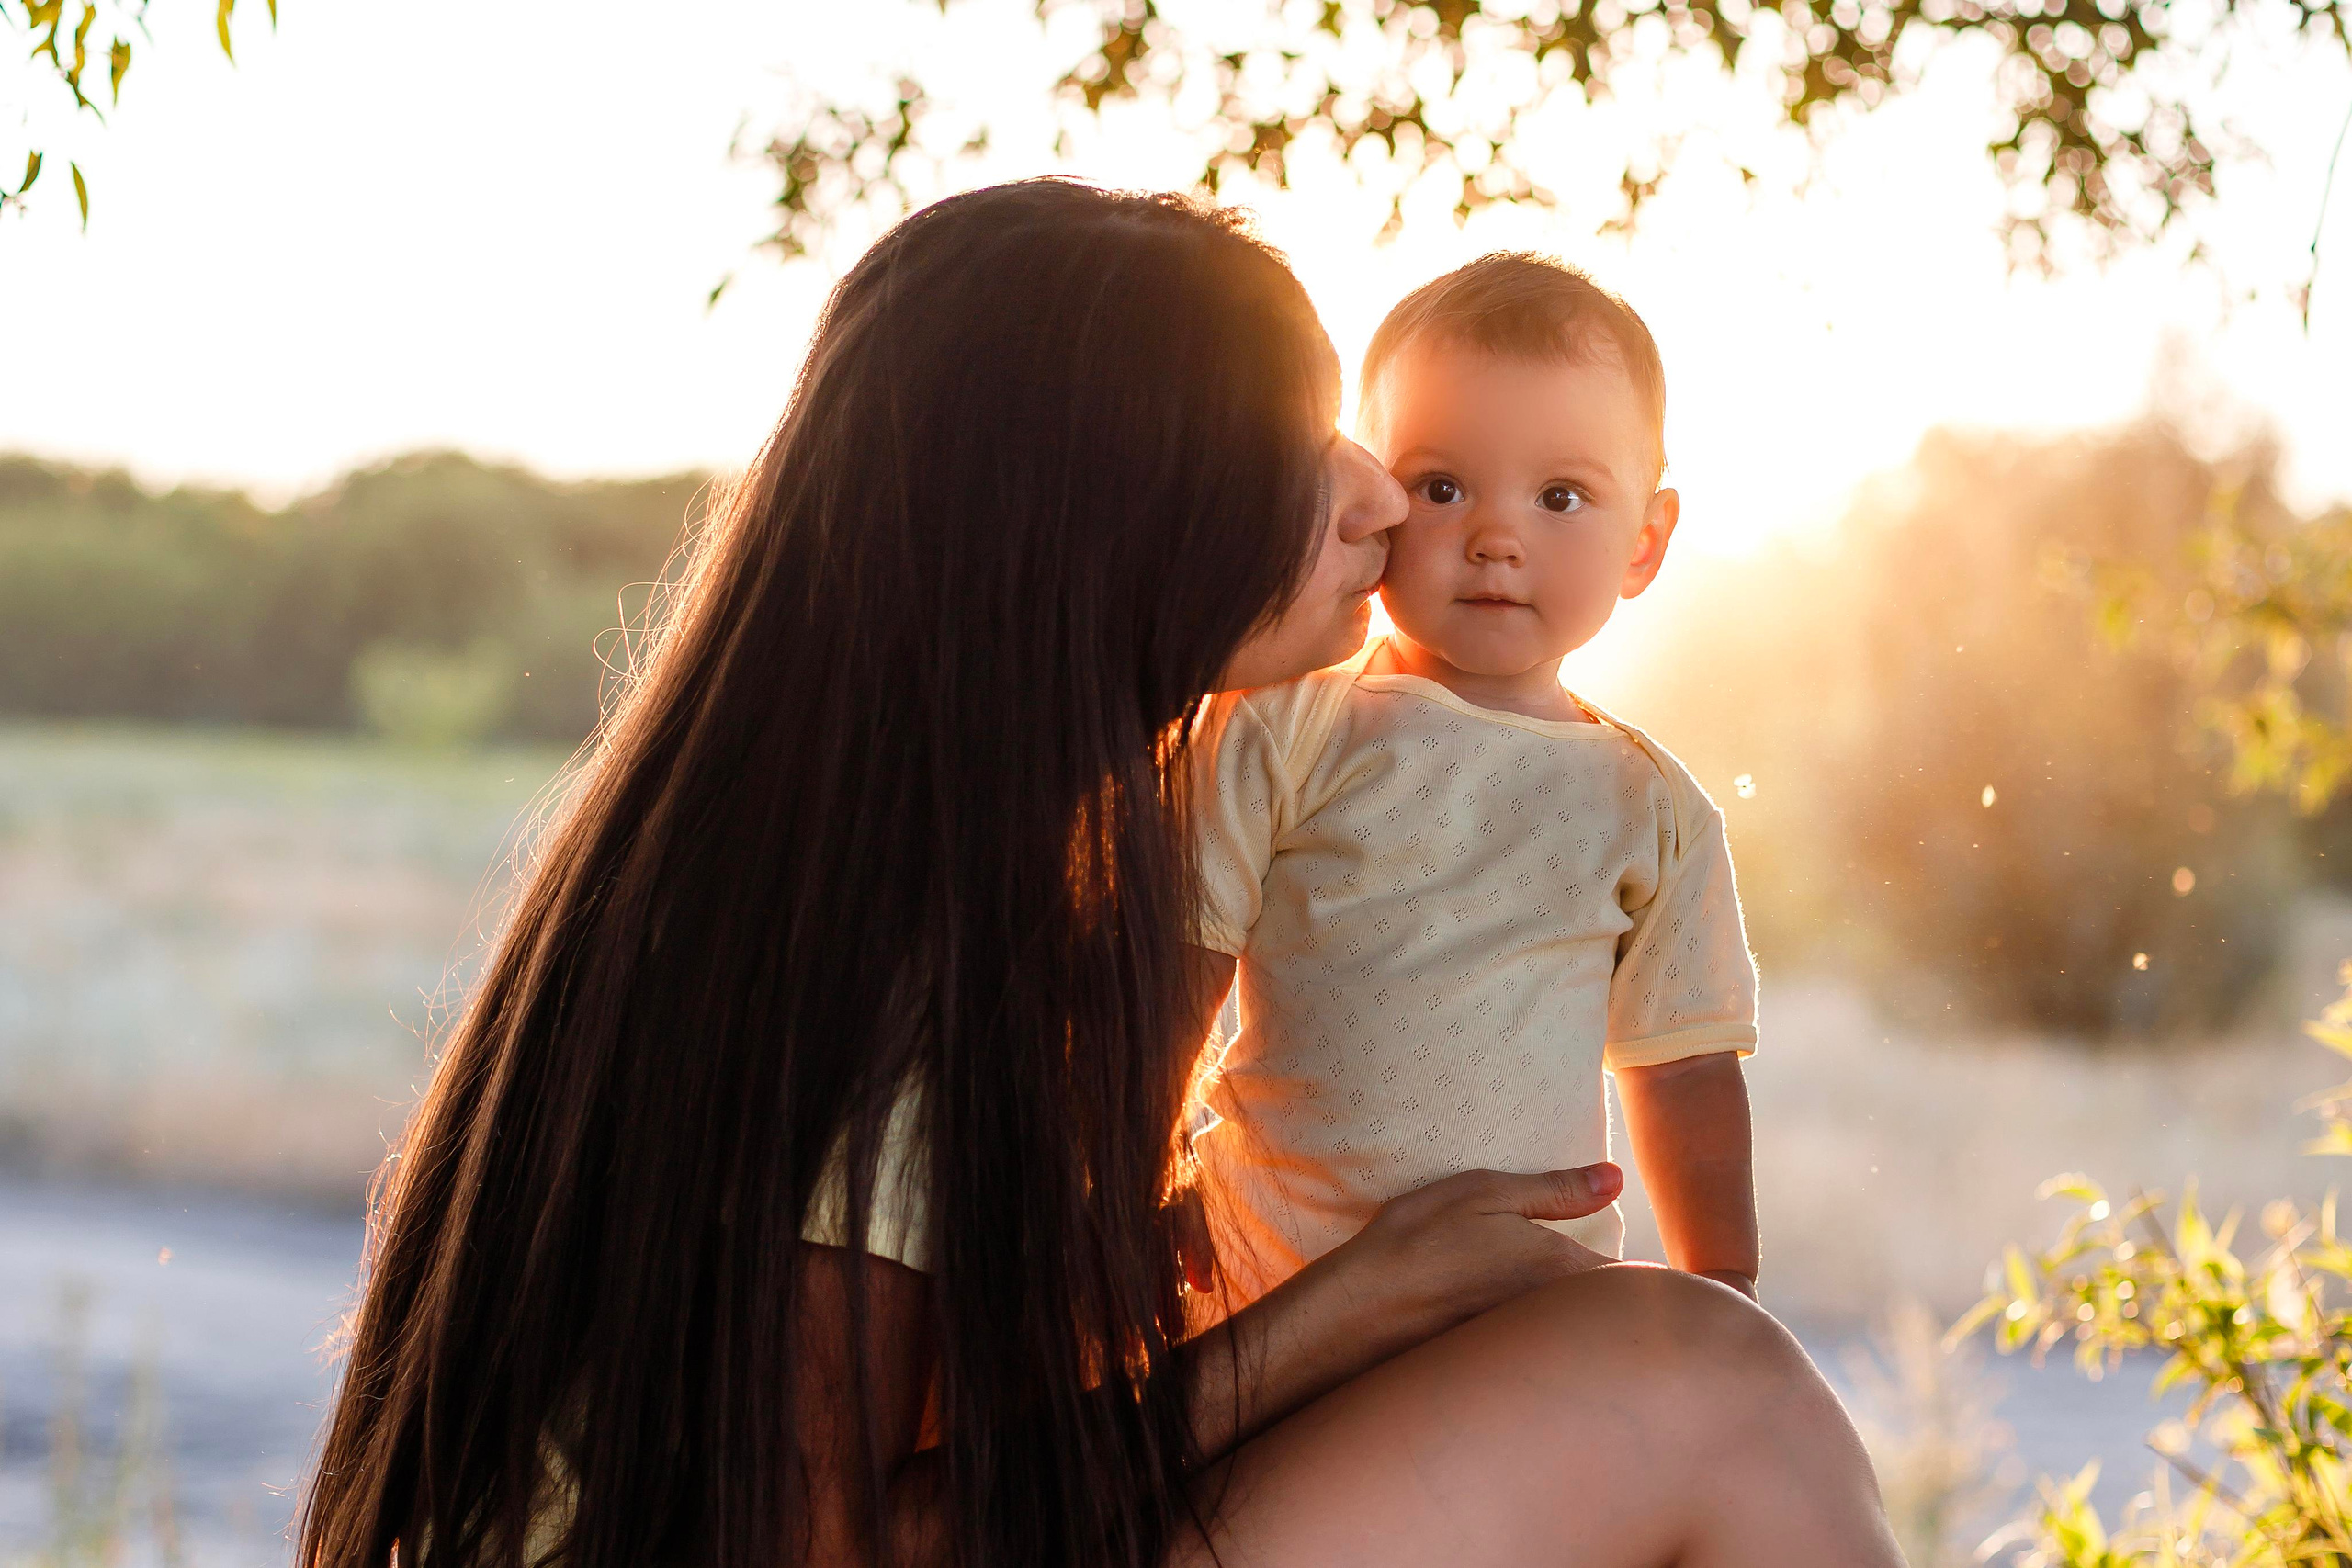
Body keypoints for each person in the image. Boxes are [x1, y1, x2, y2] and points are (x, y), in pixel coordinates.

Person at [300, 180, 1903, 1568]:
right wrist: (1337, 1315)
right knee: (1712, 1385)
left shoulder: (882, 857)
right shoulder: (891, 972)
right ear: (1103, 523)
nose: (1369, 490)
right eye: (1290, 441)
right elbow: (817, 1545)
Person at [1185, 253, 1760, 1315]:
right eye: (1440, 486)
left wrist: (1718, 1292)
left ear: (1644, 542)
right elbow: (1177, 983)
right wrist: (1124, 1199)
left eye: (1560, 497)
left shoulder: (1651, 810)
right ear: (1370, 490)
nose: (1496, 539)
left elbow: (1682, 1070)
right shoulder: (1287, 724)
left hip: (1518, 1305)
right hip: (1266, 1278)